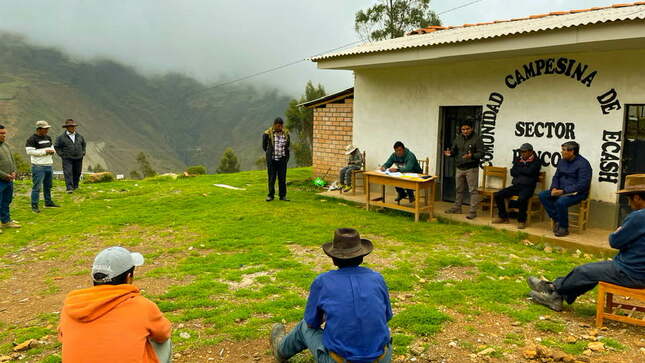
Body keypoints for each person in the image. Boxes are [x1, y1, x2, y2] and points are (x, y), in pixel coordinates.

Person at [270, 228, 392, 363]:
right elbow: (386, 316)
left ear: (333, 258)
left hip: (340, 360)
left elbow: (311, 323)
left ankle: (280, 350)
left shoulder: (323, 281)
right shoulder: (377, 278)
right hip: (381, 358)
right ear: (362, 256)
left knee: (303, 327)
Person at [528, 174, 645, 311]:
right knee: (593, 272)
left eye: (629, 198)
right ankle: (556, 294)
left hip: (631, 272)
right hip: (637, 270)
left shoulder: (639, 217)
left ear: (637, 198)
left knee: (584, 271)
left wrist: (619, 232)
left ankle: (553, 289)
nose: (629, 203)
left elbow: (614, 241)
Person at [58, 246, 172, 363]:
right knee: (162, 340)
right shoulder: (142, 306)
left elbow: (63, 338)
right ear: (129, 278)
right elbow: (164, 333)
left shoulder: (71, 306)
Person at [538, 141, 592, 237]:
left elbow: (582, 184)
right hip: (560, 190)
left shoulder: (584, 164)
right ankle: (558, 219)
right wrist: (554, 188)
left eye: (563, 150)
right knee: (542, 195)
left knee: (561, 201)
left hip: (577, 193)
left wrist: (564, 191)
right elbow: (556, 177)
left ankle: (563, 227)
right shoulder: (562, 161)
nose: (561, 152)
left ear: (571, 152)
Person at [492, 143, 541, 229]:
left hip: (528, 187)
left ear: (531, 152)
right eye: (521, 152)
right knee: (498, 194)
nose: (522, 153)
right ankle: (503, 217)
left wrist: (520, 170)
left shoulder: (537, 161)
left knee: (522, 199)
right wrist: (524, 170)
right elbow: (512, 172)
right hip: (517, 185)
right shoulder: (519, 159)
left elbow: (530, 172)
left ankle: (521, 221)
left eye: (524, 152)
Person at [443, 119, 484, 219]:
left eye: (467, 129)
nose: (465, 131)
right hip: (459, 167)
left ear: (472, 128)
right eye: (463, 129)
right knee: (458, 189)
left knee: (473, 190)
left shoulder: (477, 139)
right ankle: (457, 208)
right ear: (460, 130)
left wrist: (472, 155)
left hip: (471, 168)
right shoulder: (458, 138)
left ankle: (472, 211)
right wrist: (450, 153)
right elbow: (454, 150)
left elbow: (482, 153)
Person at [25, 120, 60, 213]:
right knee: (37, 187)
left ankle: (48, 202)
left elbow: (53, 148)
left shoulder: (48, 138)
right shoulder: (32, 139)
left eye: (47, 128)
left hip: (49, 165)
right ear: (39, 129)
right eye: (45, 129)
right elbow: (29, 151)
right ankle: (34, 205)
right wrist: (44, 152)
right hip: (38, 167)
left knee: (48, 186)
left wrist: (52, 151)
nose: (47, 130)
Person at [54, 119, 86, 193]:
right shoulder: (61, 137)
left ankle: (75, 186)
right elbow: (56, 146)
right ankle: (69, 188)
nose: (72, 127)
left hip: (78, 157)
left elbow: (84, 144)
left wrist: (83, 152)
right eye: (70, 126)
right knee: (68, 172)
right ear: (66, 127)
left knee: (77, 172)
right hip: (67, 158)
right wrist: (61, 154)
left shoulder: (79, 136)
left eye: (73, 126)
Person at [263, 117, 290, 202]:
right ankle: (270, 195)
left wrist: (285, 157)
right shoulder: (267, 134)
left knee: (282, 178)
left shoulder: (285, 133)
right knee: (272, 178)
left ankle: (282, 196)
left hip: (282, 159)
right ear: (274, 125)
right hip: (272, 160)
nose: (279, 128)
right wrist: (269, 154)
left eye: (281, 126)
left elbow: (287, 145)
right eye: (278, 126)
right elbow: (264, 146)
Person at [0, 124, 20, 231]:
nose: (4, 136)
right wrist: (5, 175)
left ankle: (5, 222)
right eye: (1, 133)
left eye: (4, 133)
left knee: (6, 201)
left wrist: (13, 172)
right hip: (1, 180)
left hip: (8, 180)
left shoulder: (5, 145)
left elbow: (12, 160)